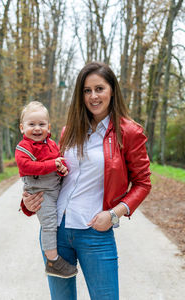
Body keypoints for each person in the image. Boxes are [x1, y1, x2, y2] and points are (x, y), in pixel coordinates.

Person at [20, 62, 151, 300]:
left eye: (99, 88)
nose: (93, 96)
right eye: (87, 90)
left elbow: (143, 183)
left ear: (112, 90)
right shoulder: (68, 131)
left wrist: (113, 214)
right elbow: (52, 177)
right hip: (56, 230)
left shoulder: (129, 132)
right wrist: (28, 203)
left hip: (95, 232)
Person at [15, 101, 78, 278]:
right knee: (49, 223)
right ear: (22, 127)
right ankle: (52, 261)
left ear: (48, 127)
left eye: (41, 124)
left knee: (54, 220)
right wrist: (52, 165)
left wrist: (62, 168)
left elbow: (59, 159)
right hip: (40, 191)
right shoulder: (23, 148)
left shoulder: (51, 144)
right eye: (31, 124)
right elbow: (26, 166)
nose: (37, 128)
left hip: (55, 187)